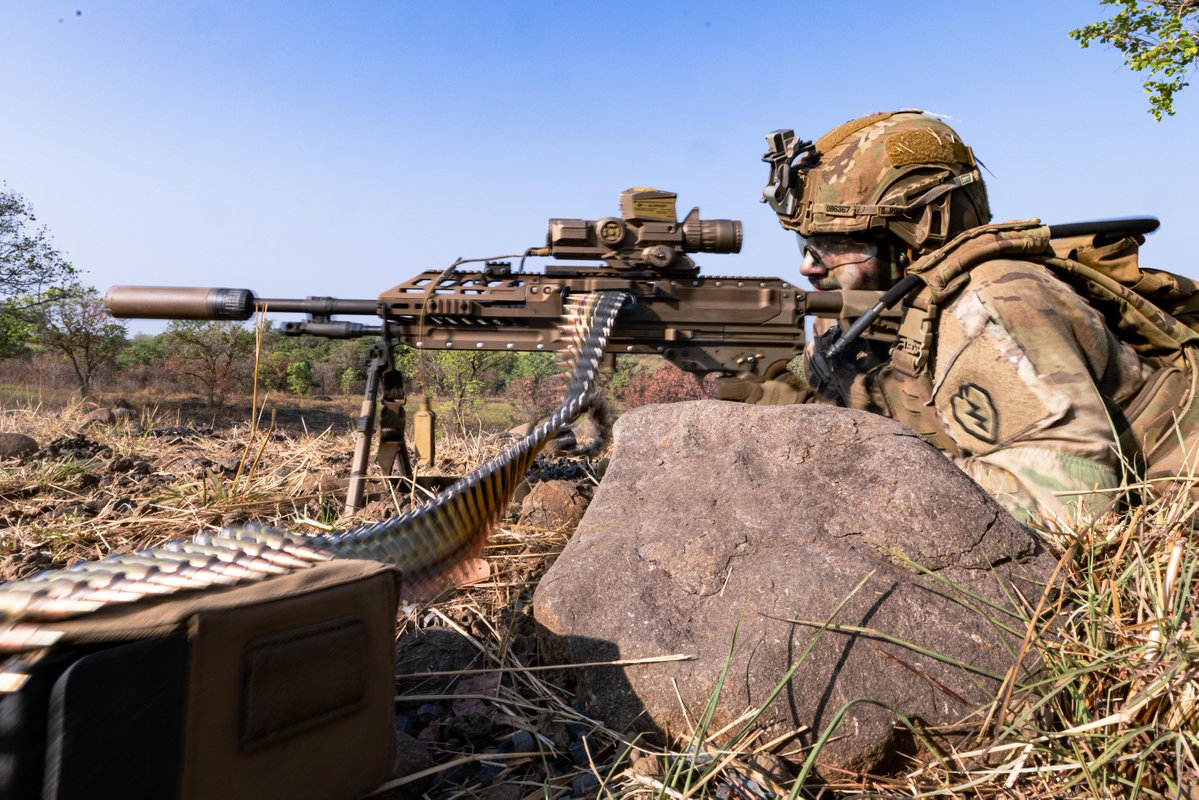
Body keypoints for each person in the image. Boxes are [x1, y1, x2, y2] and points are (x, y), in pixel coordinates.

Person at [735, 110, 1198, 524]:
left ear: (915, 232)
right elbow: (836, 414)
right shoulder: (863, 309)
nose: (807, 266)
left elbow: (1075, 506)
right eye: (805, 244)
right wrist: (741, 392)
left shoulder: (993, 301)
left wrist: (872, 478)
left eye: (832, 245)